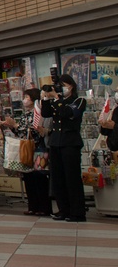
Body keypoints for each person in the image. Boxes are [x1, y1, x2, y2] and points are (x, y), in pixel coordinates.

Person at [42, 75, 86, 222]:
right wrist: (46, 98)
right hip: (55, 143)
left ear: (71, 86)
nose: (61, 88)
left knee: (72, 178)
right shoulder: (57, 101)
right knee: (58, 179)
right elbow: (46, 113)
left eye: (63, 85)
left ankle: (77, 212)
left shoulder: (78, 101)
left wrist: (58, 98)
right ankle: (63, 210)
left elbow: (67, 113)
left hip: (70, 143)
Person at [1, 88, 50, 216]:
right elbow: (21, 132)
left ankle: (44, 207)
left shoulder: (38, 113)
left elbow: (34, 130)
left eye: (27, 97)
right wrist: (13, 127)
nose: (25, 100)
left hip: (38, 148)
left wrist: (17, 126)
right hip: (26, 149)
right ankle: (32, 206)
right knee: (28, 178)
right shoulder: (24, 114)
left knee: (40, 178)